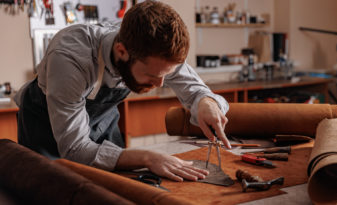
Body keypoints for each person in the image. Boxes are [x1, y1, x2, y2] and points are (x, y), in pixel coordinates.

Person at [15, 1, 230, 182]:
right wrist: (147, 157)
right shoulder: (70, 59)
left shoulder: (152, 49)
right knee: (52, 189)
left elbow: (196, 91)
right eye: (151, 76)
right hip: (46, 127)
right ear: (121, 52)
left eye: (166, 74)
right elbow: (75, 149)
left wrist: (206, 103)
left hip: (101, 121)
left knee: (115, 187)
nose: (160, 83)